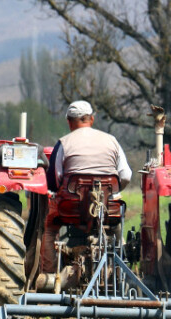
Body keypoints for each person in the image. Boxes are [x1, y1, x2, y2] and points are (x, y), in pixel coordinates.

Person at [41, 101, 132, 273]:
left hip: (70, 209)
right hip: (106, 208)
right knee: (116, 223)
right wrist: (113, 191)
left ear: (69, 121)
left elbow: (53, 181)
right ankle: (118, 264)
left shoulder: (63, 143)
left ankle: (50, 275)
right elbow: (126, 175)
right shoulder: (112, 141)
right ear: (92, 119)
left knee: (49, 228)